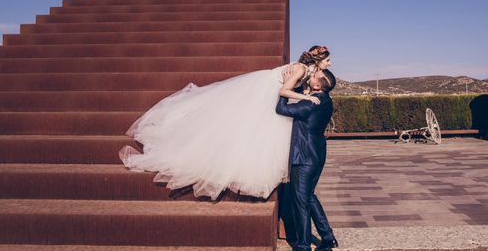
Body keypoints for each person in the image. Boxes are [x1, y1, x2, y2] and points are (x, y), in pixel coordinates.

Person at [119, 45, 332, 200]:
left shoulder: (306, 72)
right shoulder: (300, 70)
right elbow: (283, 90)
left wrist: (302, 91)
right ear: (318, 61)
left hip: (270, 93)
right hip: (264, 91)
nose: (329, 63)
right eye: (327, 60)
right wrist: (306, 97)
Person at [276, 68, 338, 251]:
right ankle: (327, 238)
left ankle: (303, 249)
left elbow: (281, 109)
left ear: (318, 85)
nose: (309, 76)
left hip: (303, 158)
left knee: (300, 202)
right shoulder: (327, 101)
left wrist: (285, 87)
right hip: (317, 154)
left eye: (313, 77)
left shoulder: (310, 104)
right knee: (309, 197)